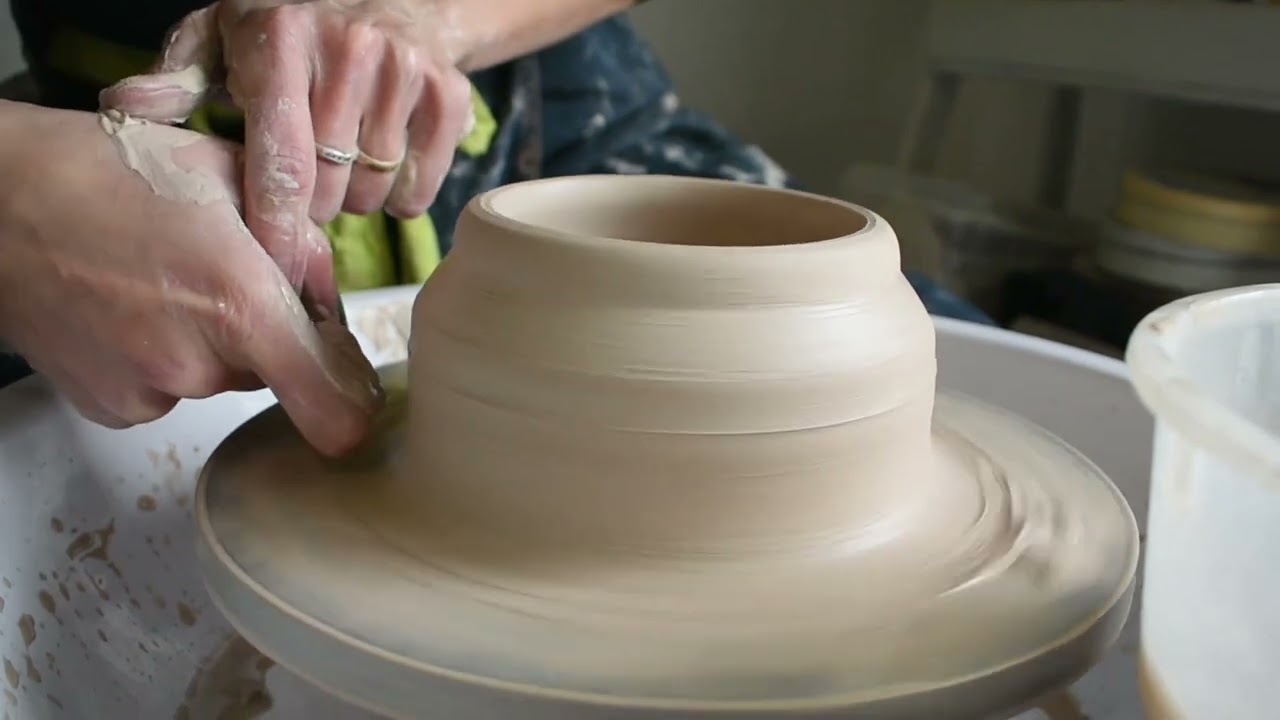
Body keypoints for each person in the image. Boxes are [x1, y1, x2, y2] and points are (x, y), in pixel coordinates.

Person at [0, 0, 988, 455]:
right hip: (118, 160)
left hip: (555, 105)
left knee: (939, 366)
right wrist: (18, 192)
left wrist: (430, 18)